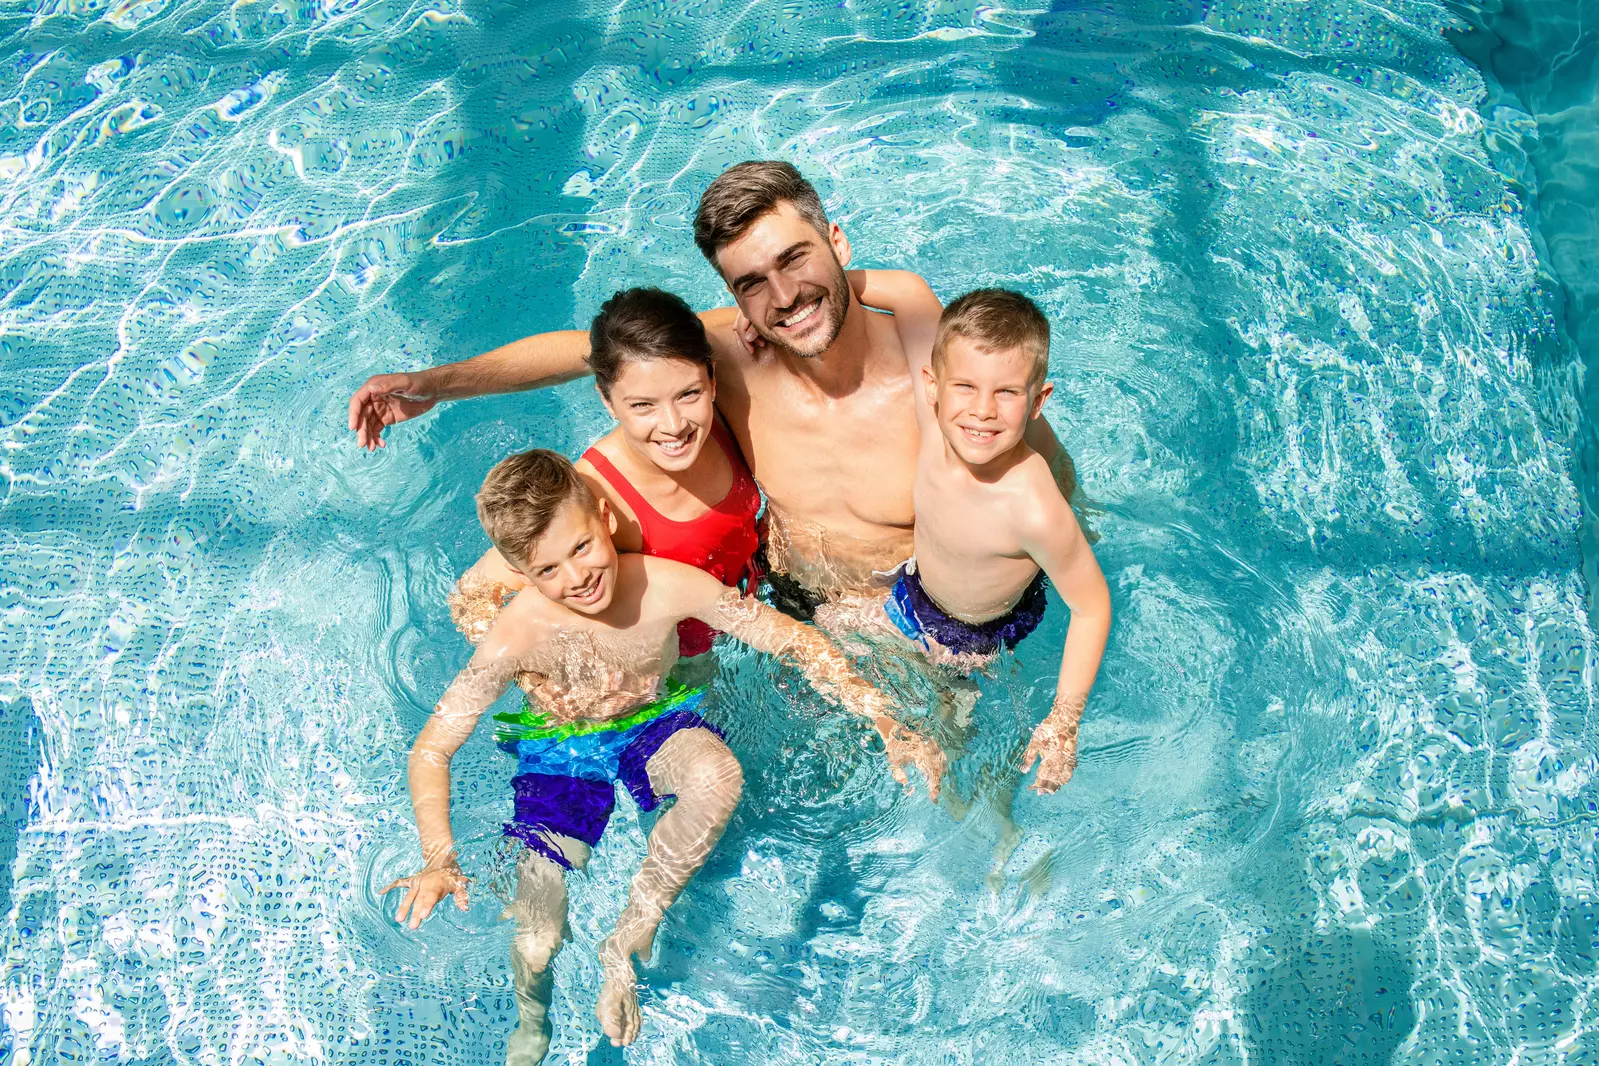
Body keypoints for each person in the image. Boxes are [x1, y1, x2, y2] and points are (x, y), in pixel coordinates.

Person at [384, 450, 943, 1063]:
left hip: (652, 720)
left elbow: (792, 640)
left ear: (604, 517)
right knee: (539, 935)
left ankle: (629, 935)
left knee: (717, 774)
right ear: (519, 573)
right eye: (547, 569)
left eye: (581, 547)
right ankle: (532, 1017)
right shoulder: (518, 632)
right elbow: (432, 748)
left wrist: (881, 714)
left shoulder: (665, 585)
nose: (577, 577)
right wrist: (438, 858)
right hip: (560, 751)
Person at [347, 161, 1072, 616]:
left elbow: (1038, 470)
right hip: (788, 605)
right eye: (752, 283)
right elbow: (587, 350)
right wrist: (433, 386)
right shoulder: (727, 356)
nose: (783, 297)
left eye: (796, 260)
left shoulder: (931, 367)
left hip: (931, 613)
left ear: (839, 246)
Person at [834, 280, 1111, 794]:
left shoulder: (1031, 506)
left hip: (974, 638)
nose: (982, 410)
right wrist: (794, 304)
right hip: (912, 592)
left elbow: (1093, 607)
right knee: (820, 632)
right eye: (966, 387)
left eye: (1006, 392)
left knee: (951, 736)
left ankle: (983, 809)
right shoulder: (936, 424)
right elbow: (908, 296)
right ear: (932, 386)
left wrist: (1063, 721)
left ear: (1037, 400)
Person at [450, 288, 760, 682]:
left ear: (712, 379)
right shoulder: (594, 494)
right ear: (607, 401)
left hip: (751, 604)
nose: (674, 425)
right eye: (642, 405)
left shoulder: (724, 418)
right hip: (677, 663)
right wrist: (536, 674)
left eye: (688, 394)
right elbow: (473, 597)